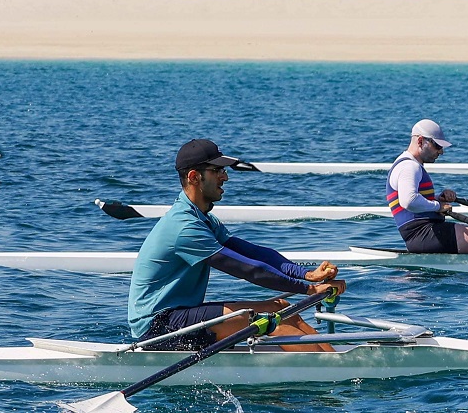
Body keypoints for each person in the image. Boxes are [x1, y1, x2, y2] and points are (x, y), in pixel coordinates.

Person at [128, 139, 346, 351]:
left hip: (179, 315)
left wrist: (307, 275)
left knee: (283, 308)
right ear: (194, 177)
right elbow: (248, 270)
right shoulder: (184, 226)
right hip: (157, 328)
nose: (225, 177)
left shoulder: (202, 218)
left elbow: (254, 254)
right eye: (217, 170)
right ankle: (334, 376)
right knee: (272, 319)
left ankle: (339, 363)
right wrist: (308, 290)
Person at [387, 119, 468, 254]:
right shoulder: (409, 166)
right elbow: (409, 201)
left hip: (426, 234)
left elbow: (416, 201)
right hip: (425, 235)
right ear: (420, 141)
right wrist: (438, 206)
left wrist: (437, 199)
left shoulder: (409, 164)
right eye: (437, 146)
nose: (441, 152)